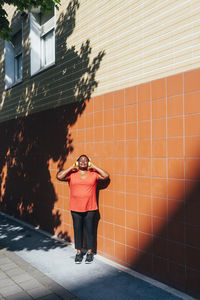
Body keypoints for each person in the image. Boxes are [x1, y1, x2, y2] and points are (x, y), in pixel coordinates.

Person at [56, 154, 109, 264]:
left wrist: (93, 166)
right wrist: (71, 167)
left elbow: (106, 176)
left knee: (90, 231)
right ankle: (79, 252)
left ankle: (90, 252)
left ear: (88, 163)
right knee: (78, 230)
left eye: (85, 161)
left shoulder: (93, 174)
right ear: (77, 163)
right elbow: (59, 176)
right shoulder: (72, 175)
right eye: (81, 161)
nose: (83, 162)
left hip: (90, 208)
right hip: (75, 208)